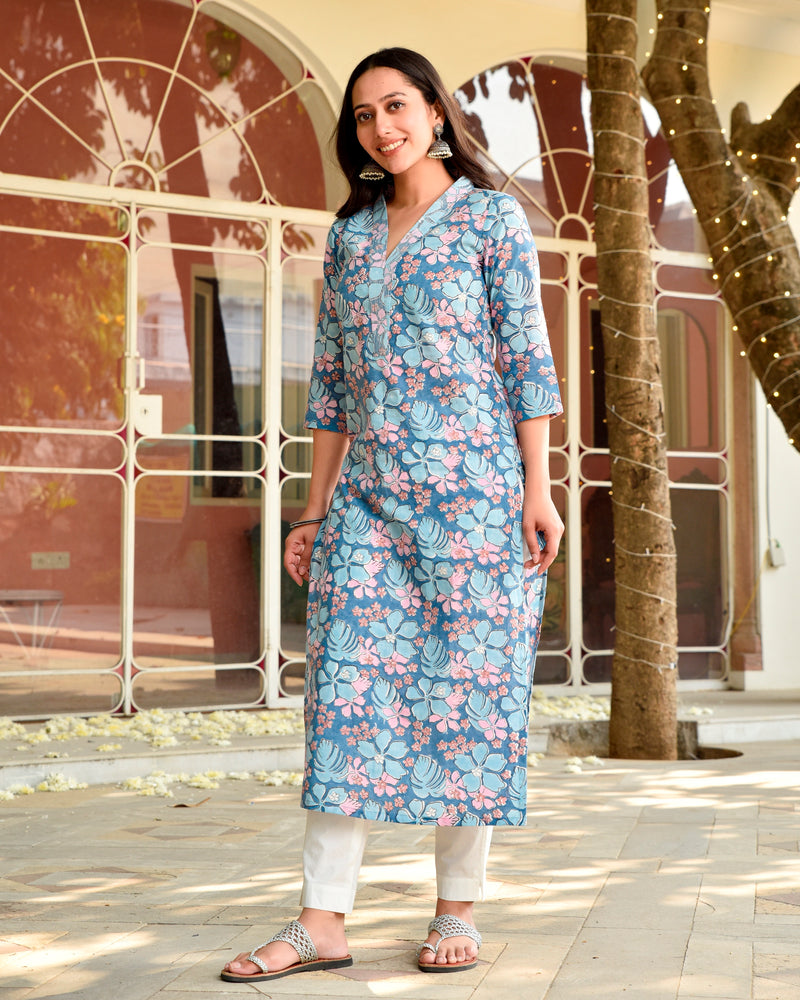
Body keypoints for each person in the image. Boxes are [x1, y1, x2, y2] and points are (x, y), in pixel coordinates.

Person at [221, 46, 563, 984]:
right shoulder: (352, 237)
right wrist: (313, 513)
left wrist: (538, 489)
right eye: (366, 115)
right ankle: (320, 922)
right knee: (343, 697)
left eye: (398, 105)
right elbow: (331, 385)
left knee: (471, 697)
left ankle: (457, 910)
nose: (382, 127)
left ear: (436, 112)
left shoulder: (492, 218)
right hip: (367, 508)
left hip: (476, 501)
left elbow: (527, 363)